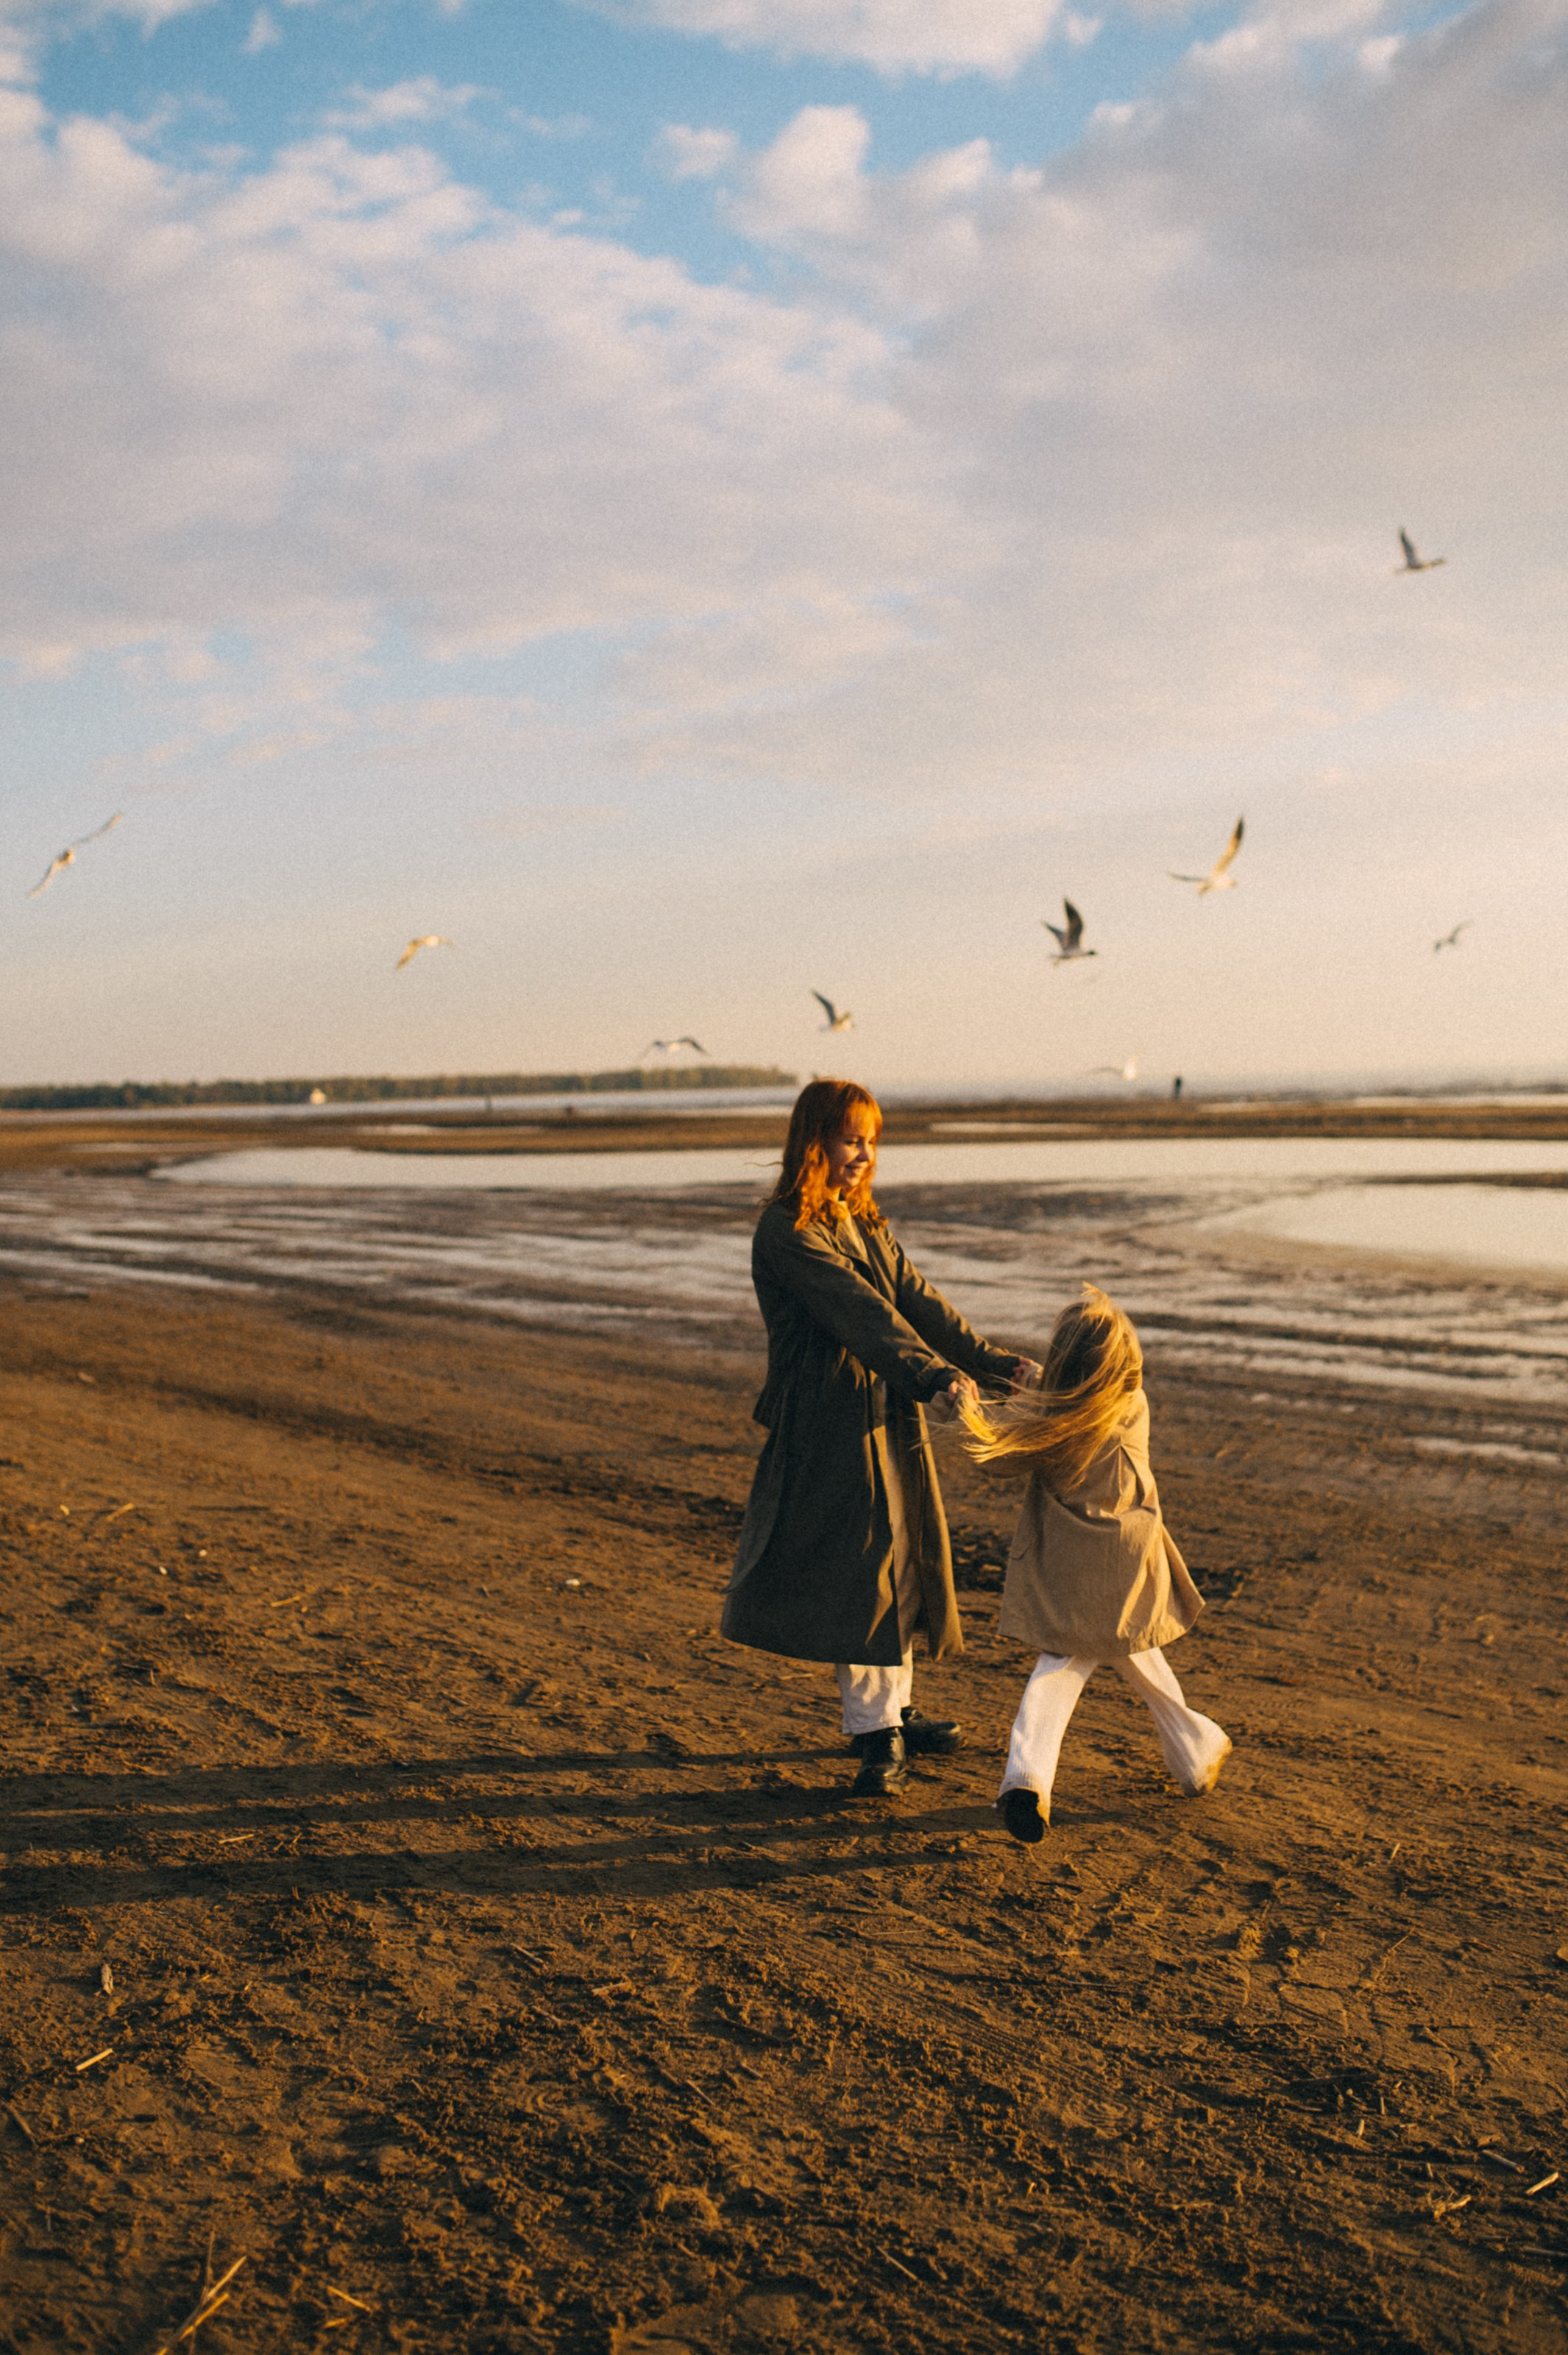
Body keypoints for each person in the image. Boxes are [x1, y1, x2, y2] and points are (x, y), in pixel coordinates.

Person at [722, 1079, 1040, 1796]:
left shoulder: (861, 1218)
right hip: (827, 1421)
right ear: (816, 1142)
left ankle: (894, 1710)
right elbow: (858, 1312)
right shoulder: (788, 1227)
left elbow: (917, 1299)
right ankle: (875, 1735)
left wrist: (993, 1362)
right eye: (851, 1137)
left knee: (901, 1563)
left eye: (872, 1139)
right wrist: (934, 1376)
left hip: (885, 1409)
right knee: (860, 1574)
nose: (864, 1151)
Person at [962, 1284, 1230, 1844]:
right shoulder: (1130, 1406)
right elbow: (1080, 1400)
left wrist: (970, 1409)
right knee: (1128, 1647)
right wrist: (1037, 1388)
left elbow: (1003, 1456)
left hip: (1071, 1564)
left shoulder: (1052, 1425)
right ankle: (1193, 1751)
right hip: (1129, 1561)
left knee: (1061, 1664)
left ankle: (1027, 1779)